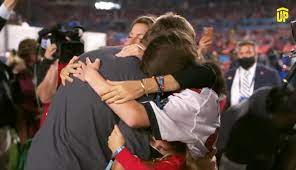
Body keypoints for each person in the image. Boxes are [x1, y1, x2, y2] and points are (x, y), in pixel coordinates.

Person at [26, 13, 216, 170]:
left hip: (38, 157)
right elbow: (130, 139)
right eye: (131, 35)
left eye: (141, 38)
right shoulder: (142, 81)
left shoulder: (91, 57)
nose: (133, 42)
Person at [224, 40, 281, 107]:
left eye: (248, 52)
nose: (244, 56)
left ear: (256, 54)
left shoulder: (271, 74)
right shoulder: (228, 75)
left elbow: (278, 100)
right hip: (233, 115)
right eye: (241, 53)